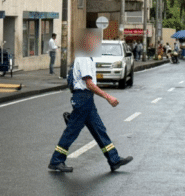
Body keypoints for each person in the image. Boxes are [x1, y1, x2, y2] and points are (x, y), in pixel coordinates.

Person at [48, 29, 133, 173]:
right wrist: (108, 97)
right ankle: (56, 160)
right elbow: (89, 84)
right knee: (71, 132)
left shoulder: (85, 57)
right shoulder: (85, 59)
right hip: (83, 98)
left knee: (99, 130)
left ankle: (114, 159)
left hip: (85, 99)